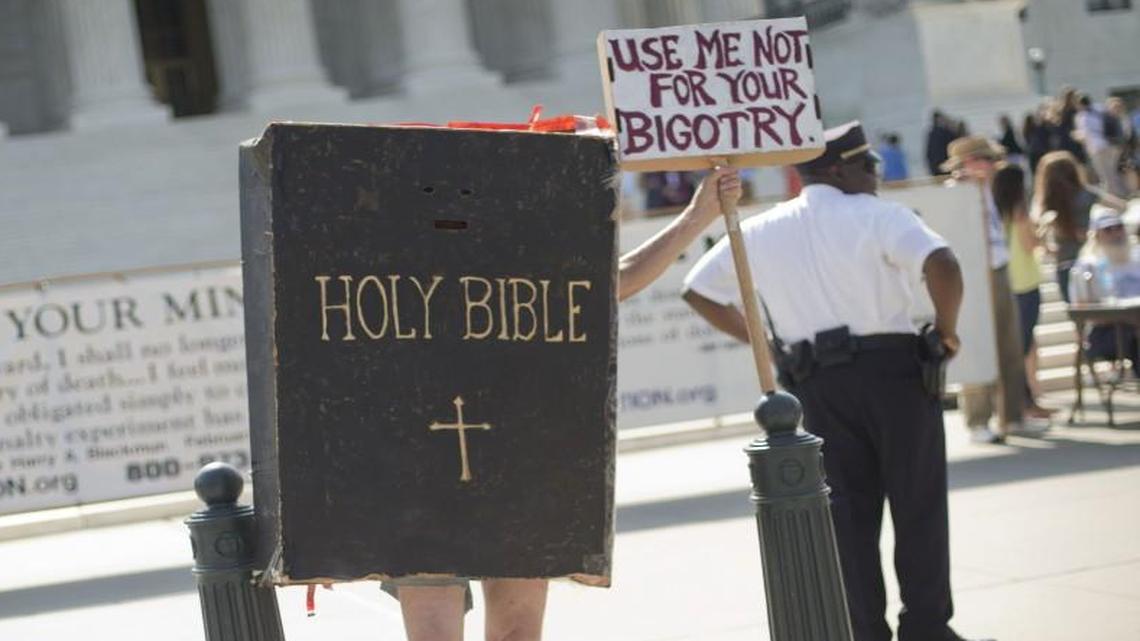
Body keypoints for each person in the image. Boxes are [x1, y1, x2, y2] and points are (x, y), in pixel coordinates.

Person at [385, 167, 743, 641]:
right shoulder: (385, 273)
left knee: (517, 632)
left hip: (516, 469)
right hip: (421, 482)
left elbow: (609, 283)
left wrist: (698, 218)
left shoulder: (516, 269)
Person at [682, 121, 991, 641]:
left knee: (845, 516)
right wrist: (947, 331)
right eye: (867, 164)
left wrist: (767, 345)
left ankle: (865, 631)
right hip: (894, 373)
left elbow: (698, 290)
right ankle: (926, 627)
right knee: (917, 504)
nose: (875, 173)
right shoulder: (877, 215)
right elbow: (943, 263)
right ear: (839, 168)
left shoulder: (761, 228)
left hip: (815, 383)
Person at [941, 136, 1040, 444]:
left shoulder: (990, 189)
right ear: (968, 163)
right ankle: (978, 420)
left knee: (1010, 345)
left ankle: (1012, 415)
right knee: (976, 347)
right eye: (985, 160)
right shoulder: (953, 193)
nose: (992, 165)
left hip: (998, 268)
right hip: (970, 273)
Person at [992, 163, 1053, 417]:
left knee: (1019, 346)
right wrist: (1043, 230)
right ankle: (1026, 402)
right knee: (1023, 346)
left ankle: (1022, 401)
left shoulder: (996, 211)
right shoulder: (1019, 212)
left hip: (1009, 283)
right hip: (1026, 283)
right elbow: (1030, 246)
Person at [1033, 150, 1124, 303]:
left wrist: (1048, 246)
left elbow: (1036, 231)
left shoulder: (1046, 204)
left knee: (1077, 315)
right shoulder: (1086, 194)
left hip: (1064, 263)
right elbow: (1121, 206)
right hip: (1090, 260)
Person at [1069, 206, 1140, 376]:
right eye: (1108, 229)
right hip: (1107, 332)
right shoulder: (1088, 266)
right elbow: (1084, 309)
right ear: (1097, 235)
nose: (1116, 233)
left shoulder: (1136, 258)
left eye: (1119, 227)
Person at [1074, 94, 1127, 198]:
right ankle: (1120, 192)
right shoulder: (1100, 109)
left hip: (1096, 147)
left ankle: (1112, 196)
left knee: (1103, 173)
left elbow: (1084, 134)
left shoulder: (1082, 116)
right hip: (1110, 144)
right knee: (1112, 170)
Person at [926, 110, 957, 176]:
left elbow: (928, 153)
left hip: (935, 166)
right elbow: (953, 144)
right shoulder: (945, 132)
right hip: (946, 164)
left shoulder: (931, 133)